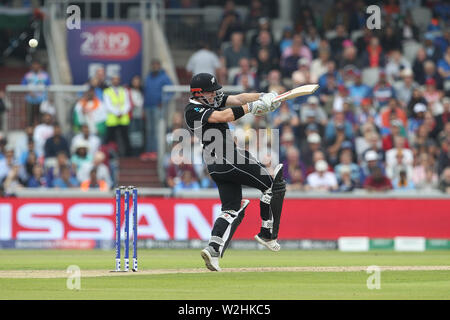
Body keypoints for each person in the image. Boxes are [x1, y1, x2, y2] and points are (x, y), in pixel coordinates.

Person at [184, 73, 288, 271]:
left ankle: (213, 249)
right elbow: (225, 115)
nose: (215, 95)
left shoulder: (210, 100)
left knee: (231, 208)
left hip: (216, 165)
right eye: (211, 92)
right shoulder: (193, 110)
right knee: (274, 185)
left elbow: (239, 98)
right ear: (198, 93)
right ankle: (267, 233)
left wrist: (265, 96)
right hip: (228, 158)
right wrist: (253, 108)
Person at [143, 59, 174, 159]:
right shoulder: (148, 77)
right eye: (153, 65)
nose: (155, 67)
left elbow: (171, 91)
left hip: (158, 107)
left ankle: (156, 151)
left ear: (159, 66)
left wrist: (163, 101)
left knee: (157, 130)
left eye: (156, 65)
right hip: (148, 107)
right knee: (149, 130)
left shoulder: (164, 77)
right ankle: (149, 151)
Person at [103, 74, 132, 156]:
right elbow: (108, 105)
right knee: (111, 139)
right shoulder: (107, 91)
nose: (116, 81)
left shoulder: (124, 90)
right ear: (111, 81)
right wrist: (117, 112)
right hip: (112, 119)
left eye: (117, 79)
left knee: (125, 138)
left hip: (123, 119)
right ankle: (110, 155)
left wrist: (122, 112)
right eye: (114, 79)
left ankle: (127, 155)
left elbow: (127, 104)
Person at [21, 61, 51, 126]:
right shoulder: (27, 75)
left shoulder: (45, 75)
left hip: (42, 100)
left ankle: (41, 130)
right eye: (34, 65)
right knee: (30, 117)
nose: (35, 66)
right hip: (30, 100)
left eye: (37, 65)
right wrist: (29, 92)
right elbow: (23, 85)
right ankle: (30, 129)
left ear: (40, 66)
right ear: (32, 66)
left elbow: (49, 86)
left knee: (41, 117)